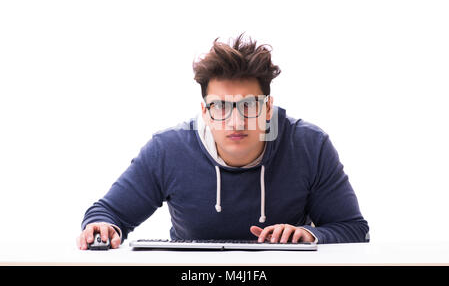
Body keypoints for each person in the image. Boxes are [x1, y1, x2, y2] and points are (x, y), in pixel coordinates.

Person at [77, 33, 369, 250]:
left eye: (249, 105)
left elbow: (354, 229)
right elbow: (107, 213)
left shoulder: (308, 146)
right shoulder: (168, 150)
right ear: (204, 112)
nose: (236, 122)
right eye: (220, 107)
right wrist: (102, 227)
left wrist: (311, 234)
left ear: (268, 108)